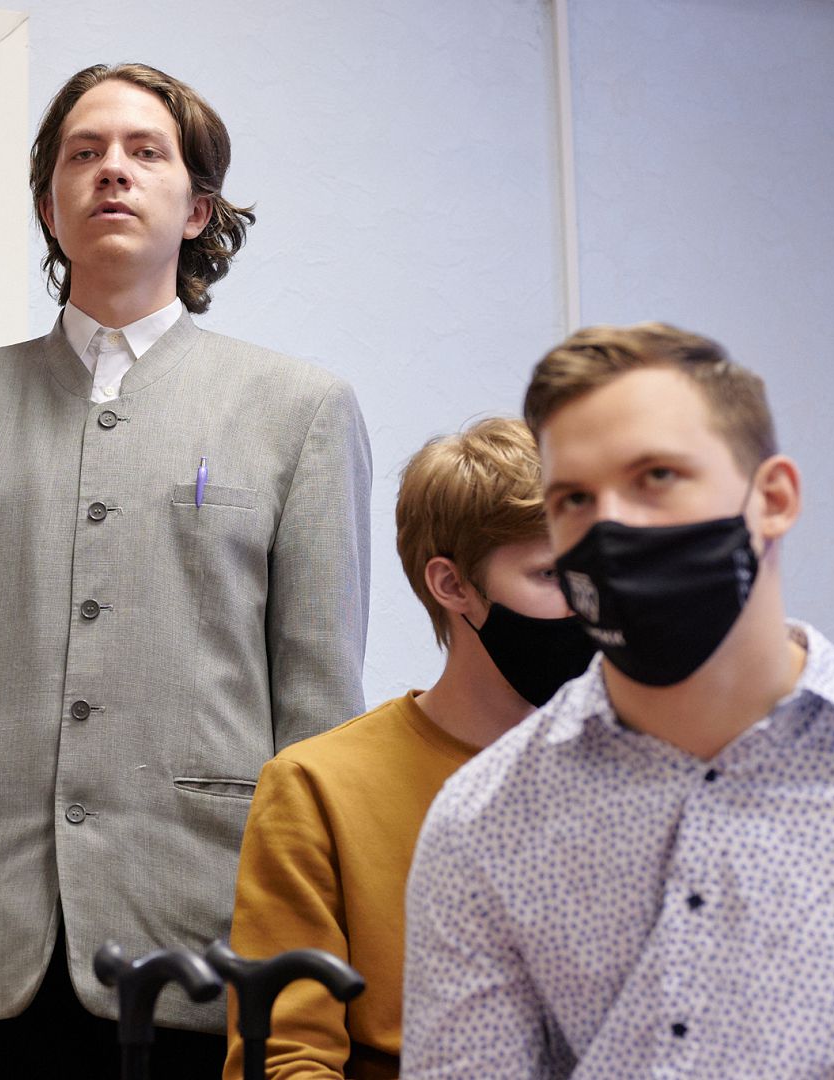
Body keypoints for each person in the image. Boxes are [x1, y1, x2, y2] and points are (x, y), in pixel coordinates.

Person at [0, 61, 372, 1080]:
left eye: (146, 152)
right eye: (83, 153)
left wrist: (319, 945)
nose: (112, 170)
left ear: (198, 209)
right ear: (51, 208)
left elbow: (319, 708)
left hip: (208, 942)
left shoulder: (299, 412)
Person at [402, 323, 834, 1076]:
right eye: (574, 498)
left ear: (773, 499)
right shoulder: (487, 821)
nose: (612, 525)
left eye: (656, 476)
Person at [224, 417, 592, 1080]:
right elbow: (285, 1059)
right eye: (551, 575)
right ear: (452, 586)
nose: (588, 608)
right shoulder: (318, 788)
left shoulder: (648, 774)